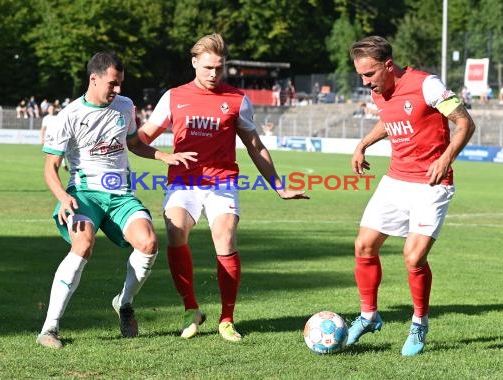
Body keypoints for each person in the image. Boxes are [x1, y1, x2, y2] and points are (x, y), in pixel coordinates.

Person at [138, 33, 309, 342]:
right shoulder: (174, 97)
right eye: (207, 68)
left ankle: (227, 319)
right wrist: (164, 156)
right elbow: (139, 142)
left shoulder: (237, 100)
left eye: (219, 67)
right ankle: (191, 309)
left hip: (222, 182)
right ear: (194, 63)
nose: (214, 74)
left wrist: (279, 186)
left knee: (225, 236)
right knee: (175, 232)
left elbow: (256, 146)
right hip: (183, 182)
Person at [37, 51, 196, 349]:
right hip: (83, 194)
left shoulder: (125, 106)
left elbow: (134, 143)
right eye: (113, 83)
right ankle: (50, 328)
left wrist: (164, 156)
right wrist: (62, 196)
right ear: (93, 79)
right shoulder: (69, 116)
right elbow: (50, 168)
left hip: (121, 195)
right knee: (82, 244)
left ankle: (124, 304)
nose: (118, 90)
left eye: (120, 83)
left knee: (149, 243)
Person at [347, 36, 475, 356]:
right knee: (363, 246)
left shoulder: (427, 85)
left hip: (432, 184)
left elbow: (465, 123)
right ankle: (368, 315)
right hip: (396, 180)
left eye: (369, 74)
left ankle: (419, 323)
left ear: (388, 65)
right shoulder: (380, 91)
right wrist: (363, 144)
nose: (365, 82)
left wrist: (445, 159)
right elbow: (390, 120)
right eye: (360, 75)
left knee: (413, 257)